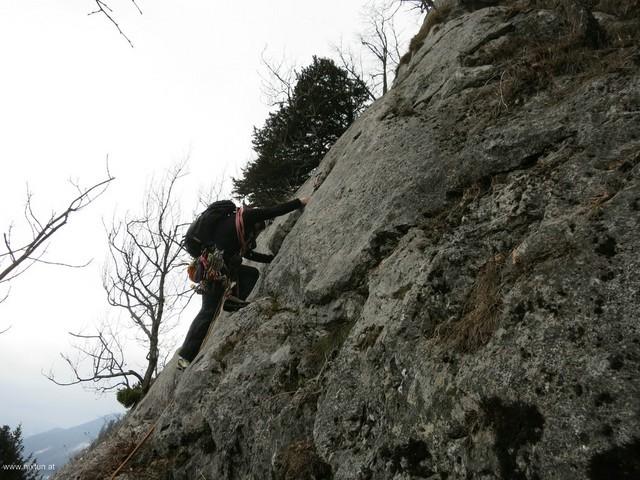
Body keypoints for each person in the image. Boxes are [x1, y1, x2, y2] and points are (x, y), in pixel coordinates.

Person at [178, 196, 309, 368]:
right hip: (215, 270)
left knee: (213, 306)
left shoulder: (237, 229)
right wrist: (299, 202)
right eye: (260, 229)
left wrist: (272, 259)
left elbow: (248, 254)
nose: (259, 233)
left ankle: (186, 355)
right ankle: (185, 356)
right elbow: (273, 211)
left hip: (211, 268)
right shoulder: (247, 216)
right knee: (208, 312)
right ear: (257, 222)